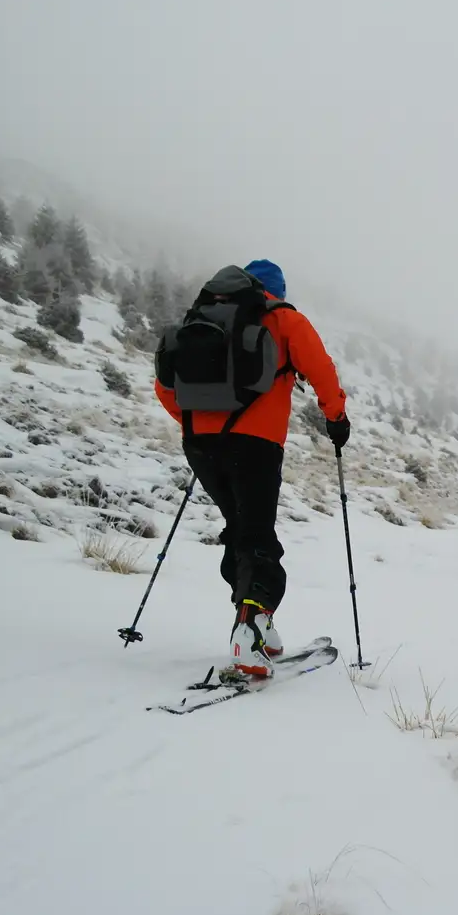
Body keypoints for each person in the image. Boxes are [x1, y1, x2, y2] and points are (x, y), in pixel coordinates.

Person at [154, 259, 349, 679]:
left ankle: (260, 623)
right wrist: (336, 417)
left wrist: (199, 424)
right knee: (256, 533)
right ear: (276, 290)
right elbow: (321, 369)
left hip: (200, 445)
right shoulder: (283, 319)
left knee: (241, 528)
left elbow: (165, 384)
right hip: (256, 445)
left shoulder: (203, 319)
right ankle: (249, 630)